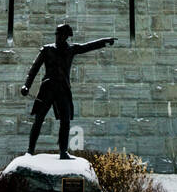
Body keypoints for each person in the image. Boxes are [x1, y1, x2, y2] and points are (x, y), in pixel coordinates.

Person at [21, 23, 115, 158]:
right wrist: (26, 86)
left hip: (63, 89)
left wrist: (104, 41)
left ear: (66, 36)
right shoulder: (47, 50)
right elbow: (34, 69)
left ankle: (63, 152)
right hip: (47, 89)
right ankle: (30, 151)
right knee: (39, 119)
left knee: (65, 121)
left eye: (60, 34)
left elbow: (88, 46)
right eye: (57, 34)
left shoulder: (71, 49)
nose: (57, 37)